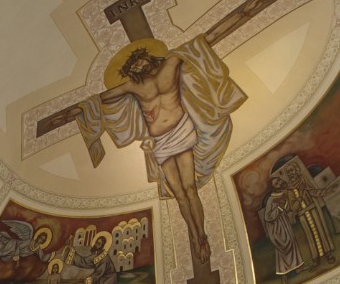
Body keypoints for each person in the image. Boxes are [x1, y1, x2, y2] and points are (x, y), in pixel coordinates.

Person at [68, 38, 246, 271]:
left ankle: (202, 234)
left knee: (190, 188)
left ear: (149, 57)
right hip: (161, 142)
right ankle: (193, 236)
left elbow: (196, 47)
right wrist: (79, 109)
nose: (138, 66)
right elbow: (103, 98)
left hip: (181, 130)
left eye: (139, 61)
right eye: (133, 66)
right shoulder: (133, 86)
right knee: (179, 194)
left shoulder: (170, 65)